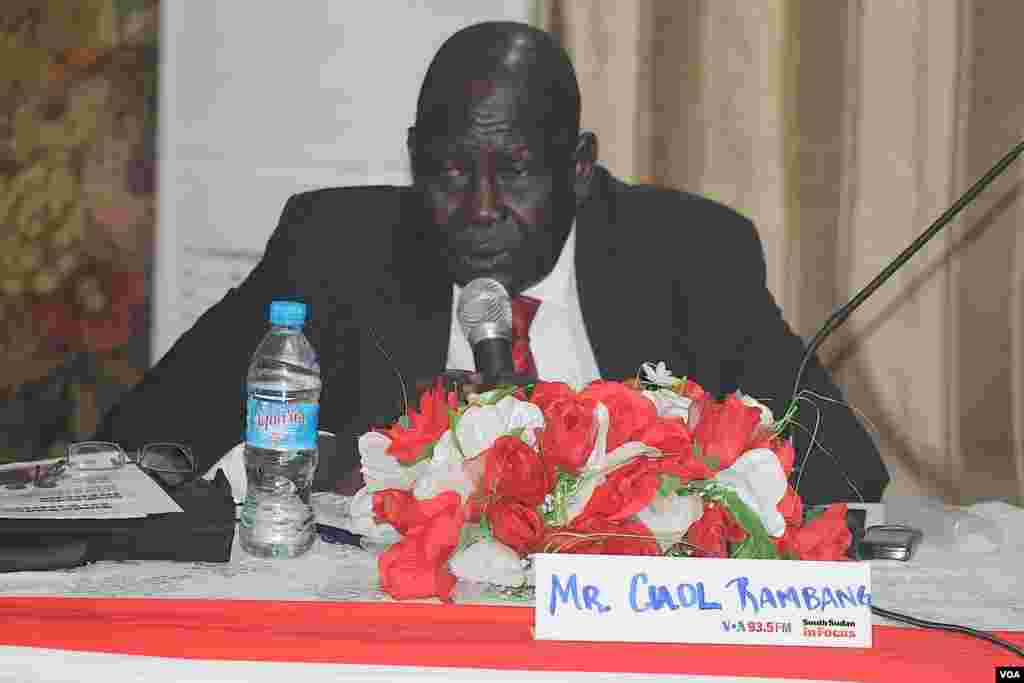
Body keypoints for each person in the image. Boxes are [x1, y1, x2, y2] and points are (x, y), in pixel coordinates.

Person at [94, 21, 889, 505]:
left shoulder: (687, 252)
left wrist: (661, 475)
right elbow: (150, 428)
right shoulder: (333, 243)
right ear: (413, 160)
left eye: (513, 173)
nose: (477, 207)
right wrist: (192, 465)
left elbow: (844, 466)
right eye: (446, 172)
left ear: (577, 167)